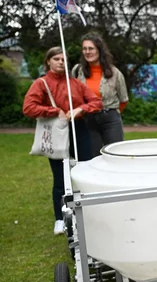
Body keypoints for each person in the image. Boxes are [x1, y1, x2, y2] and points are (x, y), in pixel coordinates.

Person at [23, 47, 103, 235]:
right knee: (60, 176)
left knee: (84, 170)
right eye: (57, 59)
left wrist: (80, 109)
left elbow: (97, 102)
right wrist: (54, 111)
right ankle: (60, 218)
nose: (61, 62)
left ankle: (89, 213)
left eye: (64, 59)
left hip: (79, 129)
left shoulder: (74, 83)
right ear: (48, 62)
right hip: (57, 131)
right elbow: (28, 108)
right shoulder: (41, 83)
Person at [72, 32, 129, 157]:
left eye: (91, 48)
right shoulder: (77, 71)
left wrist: (110, 114)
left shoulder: (115, 73)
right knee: (92, 158)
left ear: (99, 50)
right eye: (84, 49)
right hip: (88, 120)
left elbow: (123, 100)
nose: (87, 52)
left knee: (115, 156)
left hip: (110, 120)